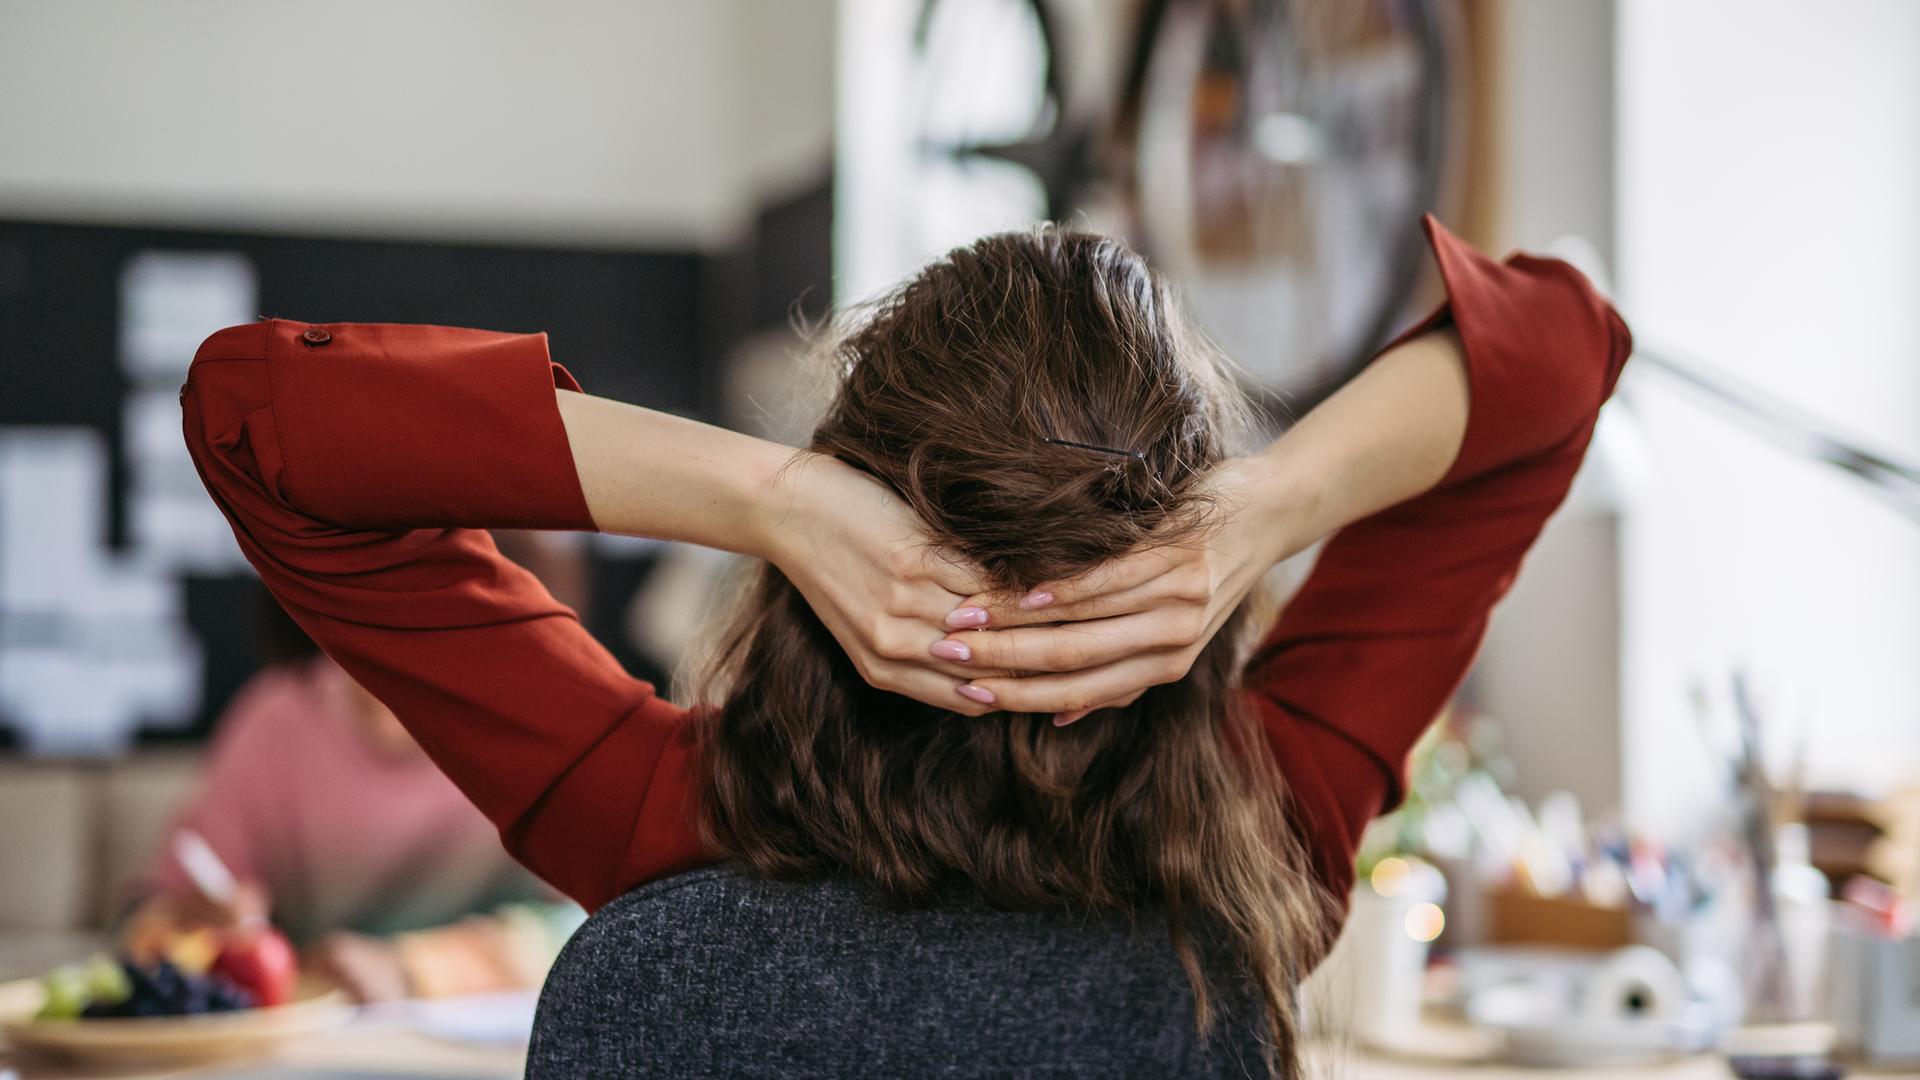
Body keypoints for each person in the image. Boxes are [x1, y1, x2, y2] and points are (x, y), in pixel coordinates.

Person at [179, 216, 1629, 1074]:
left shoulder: (660, 825)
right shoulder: (1266, 833)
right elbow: (1565, 348)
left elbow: (255, 420)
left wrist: (772, 499)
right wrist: (1268, 507)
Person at [122, 587, 582, 1002]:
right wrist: (184, 924)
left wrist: (412, 969)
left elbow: (590, 930)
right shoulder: (278, 721)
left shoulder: (540, 726)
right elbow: (155, 916)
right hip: (320, 1034)